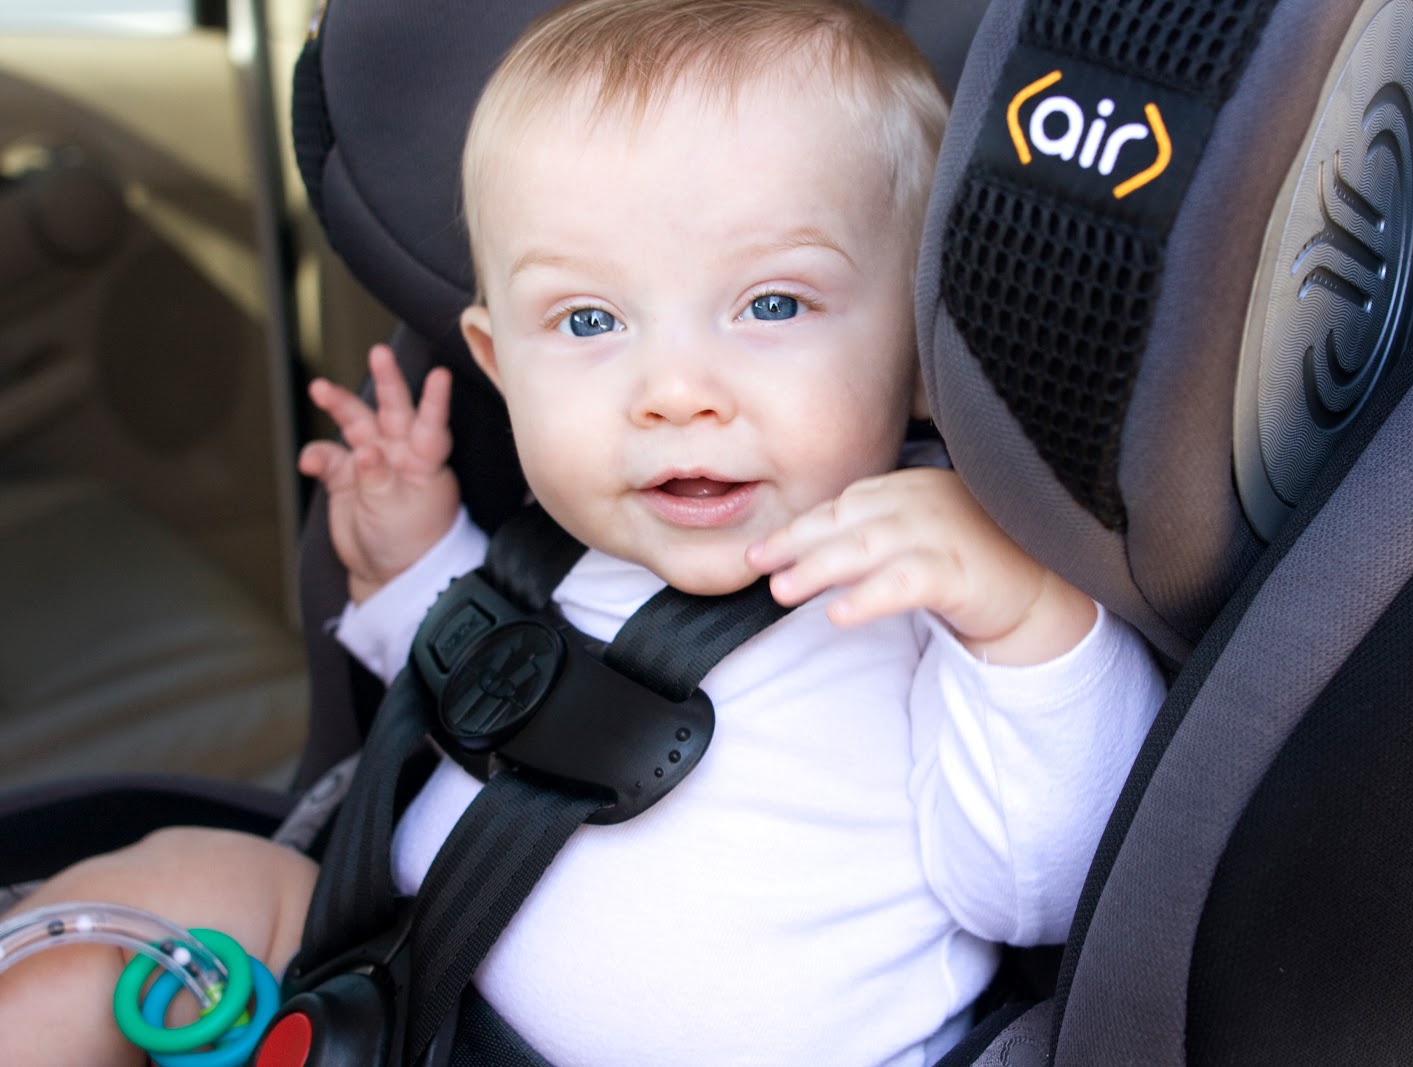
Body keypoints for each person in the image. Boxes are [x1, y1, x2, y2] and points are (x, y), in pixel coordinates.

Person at [0, 1, 1166, 1064]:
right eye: (590, 319)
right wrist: (411, 560)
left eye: (771, 304)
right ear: (500, 363)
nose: (672, 387)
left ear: (918, 355)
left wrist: (1027, 624)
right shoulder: (568, 558)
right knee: (172, 889)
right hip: (382, 981)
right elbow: (482, 681)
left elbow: (1051, 886)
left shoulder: (921, 608)